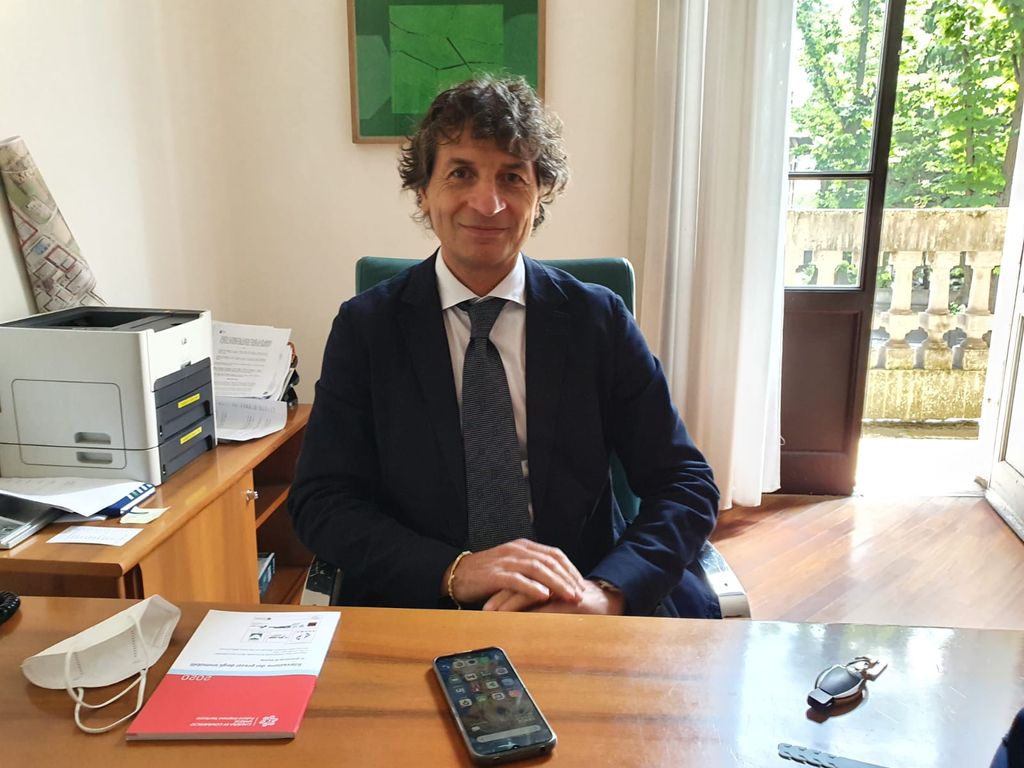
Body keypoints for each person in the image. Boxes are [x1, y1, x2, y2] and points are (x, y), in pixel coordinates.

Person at [288, 75, 720, 617]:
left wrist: (606, 593)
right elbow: (322, 501)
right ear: (423, 191)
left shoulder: (597, 321)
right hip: (425, 601)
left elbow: (685, 482)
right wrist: (455, 571)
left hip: (579, 595)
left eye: (512, 177)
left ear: (540, 195)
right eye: (461, 173)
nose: (488, 203)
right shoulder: (366, 329)